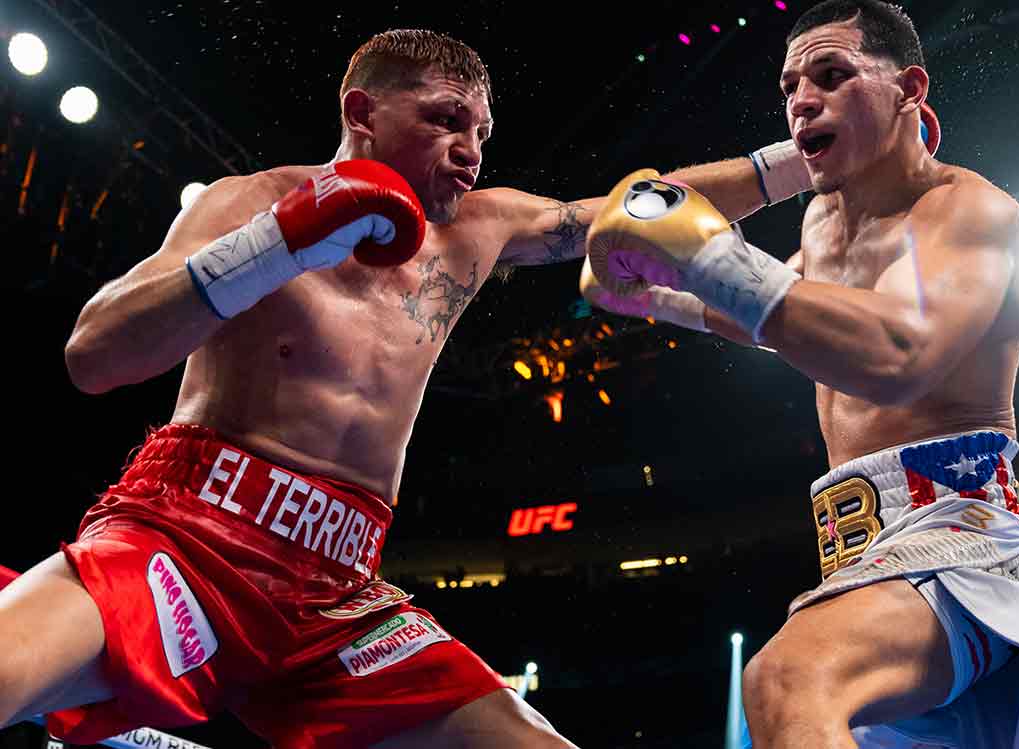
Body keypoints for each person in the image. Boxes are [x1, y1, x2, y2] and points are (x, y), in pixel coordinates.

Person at [0, 28, 797, 749]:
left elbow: (640, 210)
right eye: (447, 119)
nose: (471, 149)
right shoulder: (249, 202)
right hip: (189, 538)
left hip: (340, 592)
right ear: (362, 111)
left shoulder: (479, 230)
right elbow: (94, 353)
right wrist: (273, 247)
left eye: (481, 131)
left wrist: (802, 162)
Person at [581, 1, 1019, 746]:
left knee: (785, 679)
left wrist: (708, 258)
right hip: (867, 552)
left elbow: (901, 354)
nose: (800, 97)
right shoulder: (823, 222)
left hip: (966, 538)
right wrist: (659, 297)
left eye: (831, 74)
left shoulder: (966, 210)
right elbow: (659, 219)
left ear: (911, 89)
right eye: (788, 88)